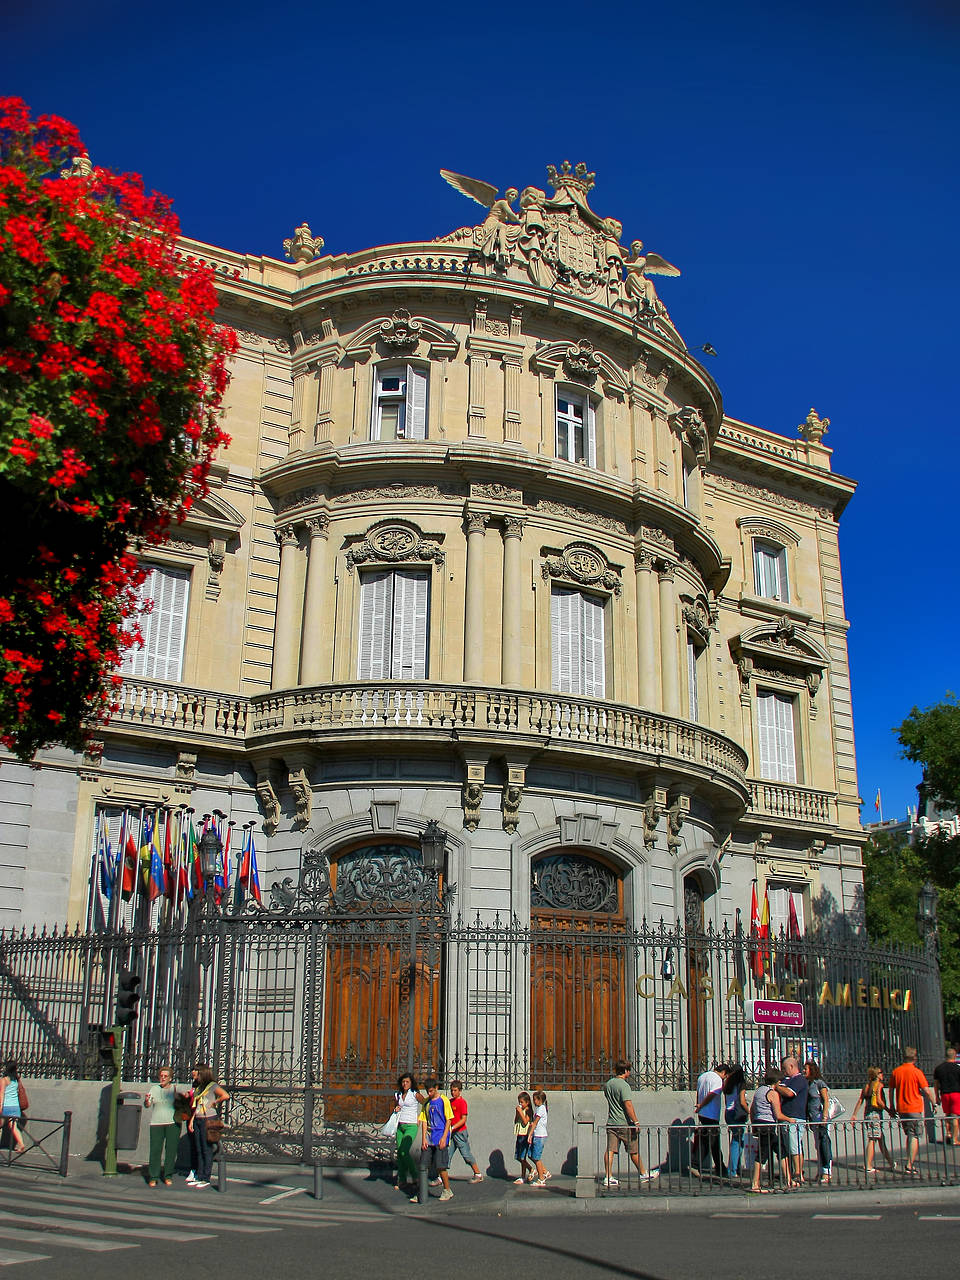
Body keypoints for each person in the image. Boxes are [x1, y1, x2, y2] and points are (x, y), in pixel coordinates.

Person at [602, 1059, 656, 1186]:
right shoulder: (624, 1086)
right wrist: (635, 1121)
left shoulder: (608, 1084)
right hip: (624, 1123)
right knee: (633, 1150)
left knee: (610, 1149)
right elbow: (628, 1105)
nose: (629, 1073)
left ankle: (608, 1176)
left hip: (611, 1122)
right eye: (629, 1070)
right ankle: (643, 1173)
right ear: (625, 1071)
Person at [889, 1045, 937, 1172]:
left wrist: (892, 1106)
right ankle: (909, 1164)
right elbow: (926, 1090)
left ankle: (909, 1161)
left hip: (902, 1108)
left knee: (909, 1135)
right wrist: (934, 1103)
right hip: (914, 1108)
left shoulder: (896, 1071)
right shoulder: (917, 1072)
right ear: (914, 1058)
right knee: (915, 1136)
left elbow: (891, 1090)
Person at [749, 1068, 796, 1192]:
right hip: (768, 1125)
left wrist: (754, 1123)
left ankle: (789, 1180)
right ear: (777, 1082)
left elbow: (752, 1110)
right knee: (762, 1154)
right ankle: (755, 1184)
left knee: (780, 1150)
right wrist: (790, 1119)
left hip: (759, 1123)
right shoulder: (772, 1093)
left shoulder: (759, 1091)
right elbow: (778, 1115)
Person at [187, 1065, 229, 1189]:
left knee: (206, 1148)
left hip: (208, 1119)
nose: (195, 1074)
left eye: (197, 1072)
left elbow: (225, 1095)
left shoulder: (212, 1086)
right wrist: (192, 1120)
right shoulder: (199, 1087)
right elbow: (197, 1105)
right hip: (198, 1119)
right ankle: (199, 1176)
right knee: (199, 1148)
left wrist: (215, 1102)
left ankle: (206, 1177)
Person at [413, 1078, 454, 1202]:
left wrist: (444, 1138)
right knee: (423, 1165)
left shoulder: (443, 1100)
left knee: (441, 1166)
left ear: (436, 1088)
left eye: (431, 1091)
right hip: (429, 1138)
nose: (429, 1094)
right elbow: (424, 1120)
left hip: (440, 1136)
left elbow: (449, 1120)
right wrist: (424, 1139)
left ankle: (447, 1190)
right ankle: (421, 1192)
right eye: (427, 1091)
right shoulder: (426, 1103)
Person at [851, 1065, 896, 1175]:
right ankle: (868, 1165)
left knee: (880, 1139)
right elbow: (879, 1101)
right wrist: (888, 1109)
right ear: (876, 1074)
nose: (882, 1074)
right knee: (873, 1139)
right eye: (881, 1072)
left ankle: (891, 1163)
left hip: (867, 1114)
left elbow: (861, 1100)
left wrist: (854, 1114)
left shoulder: (867, 1086)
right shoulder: (878, 1085)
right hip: (876, 1114)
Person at [144, 1065, 181, 1187]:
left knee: (171, 1150)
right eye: (161, 1076)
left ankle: (168, 1175)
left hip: (172, 1123)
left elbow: (180, 1104)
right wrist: (147, 1100)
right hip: (156, 1123)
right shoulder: (154, 1089)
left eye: (165, 1076)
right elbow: (148, 1105)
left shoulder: (174, 1089)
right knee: (155, 1150)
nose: (163, 1078)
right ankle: (153, 1176)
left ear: (170, 1078)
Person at [775, 1056, 808, 1185]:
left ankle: (798, 1173)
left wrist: (777, 1087)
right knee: (788, 1147)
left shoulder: (799, 1080)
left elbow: (789, 1093)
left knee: (795, 1147)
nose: (784, 1071)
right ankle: (790, 1173)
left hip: (795, 1118)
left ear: (791, 1066)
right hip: (785, 1117)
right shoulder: (786, 1080)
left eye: (785, 1068)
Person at [692, 1061, 727, 1178]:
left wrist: (698, 1105)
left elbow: (699, 1092)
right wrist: (701, 1105)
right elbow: (712, 1094)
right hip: (711, 1113)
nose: (724, 1079)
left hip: (703, 1113)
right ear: (723, 1072)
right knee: (713, 1142)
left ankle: (718, 1166)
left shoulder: (703, 1076)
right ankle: (718, 1167)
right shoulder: (717, 1079)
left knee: (708, 1140)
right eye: (725, 1076)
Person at [804, 1060, 833, 1182]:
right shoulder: (808, 1083)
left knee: (824, 1143)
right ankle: (821, 1170)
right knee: (818, 1145)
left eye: (806, 1069)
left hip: (821, 1118)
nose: (803, 1071)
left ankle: (827, 1171)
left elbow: (826, 1099)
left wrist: (825, 1117)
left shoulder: (819, 1083)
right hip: (813, 1118)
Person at [448, 1081, 482, 1182]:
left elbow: (463, 1119)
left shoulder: (462, 1102)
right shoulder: (450, 1102)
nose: (453, 1092)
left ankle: (478, 1174)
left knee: (466, 1154)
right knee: (447, 1154)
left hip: (460, 1133)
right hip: (452, 1133)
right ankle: (441, 1176)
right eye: (451, 1090)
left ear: (460, 1091)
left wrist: (453, 1127)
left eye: (455, 1090)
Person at [392, 1072, 421, 1192]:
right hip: (400, 1126)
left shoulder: (415, 1094)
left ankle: (416, 1177)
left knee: (404, 1151)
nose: (405, 1084)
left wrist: (421, 1117)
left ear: (411, 1083)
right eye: (403, 1082)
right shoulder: (398, 1094)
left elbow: (425, 1104)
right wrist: (396, 1108)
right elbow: (396, 1107)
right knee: (400, 1153)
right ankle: (402, 1179)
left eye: (407, 1082)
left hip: (411, 1126)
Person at [722, 1064, 749, 1179]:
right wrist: (749, 1111)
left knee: (737, 1140)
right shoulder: (740, 1083)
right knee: (737, 1142)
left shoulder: (727, 1083)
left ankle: (735, 1167)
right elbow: (742, 1101)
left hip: (728, 1112)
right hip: (737, 1114)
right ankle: (733, 1169)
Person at [933, 1046, 960, 1146]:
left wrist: (937, 1096)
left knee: (948, 1115)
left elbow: (936, 1084)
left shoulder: (939, 1068)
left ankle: (948, 1134)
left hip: (944, 1094)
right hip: (956, 1094)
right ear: (955, 1056)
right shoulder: (958, 1068)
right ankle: (954, 1139)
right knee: (955, 1117)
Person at [0, 1060, 25, 1154]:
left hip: (6, 1106)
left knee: (1, 1124)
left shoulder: (4, 1080)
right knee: (14, 1126)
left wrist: (0, 1106)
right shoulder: (16, 1080)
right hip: (15, 1106)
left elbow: (1, 1094)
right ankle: (21, 1144)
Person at [528, 1090, 550, 1187]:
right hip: (537, 1135)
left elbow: (536, 1122)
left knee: (536, 1158)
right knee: (531, 1155)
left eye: (535, 1099)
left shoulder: (541, 1108)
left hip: (539, 1135)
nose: (534, 1101)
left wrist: (530, 1134)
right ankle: (544, 1172)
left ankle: (541, 1179)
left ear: (540, 1100)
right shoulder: (539, 1109)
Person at [513, 1091, 535, 1185]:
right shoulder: (521, 1110)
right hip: (519, 1134)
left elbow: (526, 1122)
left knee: (522, 1157)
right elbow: (516, 1121)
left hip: (525, 1135)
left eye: (522, 1102)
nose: (520, 1104)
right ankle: (523, 1175)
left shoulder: (528, 1111)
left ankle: (530, 1169)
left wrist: (520, 1112)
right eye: (519, 1102)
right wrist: (517, 1113)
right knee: (518, 1156)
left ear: (527, 1102)